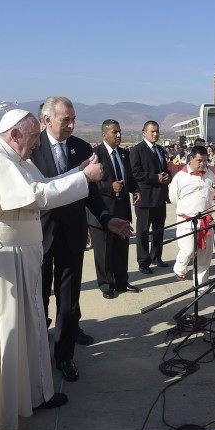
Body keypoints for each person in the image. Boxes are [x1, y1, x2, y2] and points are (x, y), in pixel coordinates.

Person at [0, 109, 130, 430]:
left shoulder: (17, 157)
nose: (38, 141)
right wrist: (83, 178)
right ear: (15, 135)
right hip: (4, 264)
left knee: (31, 329)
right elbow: (38, 197)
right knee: (7, 333)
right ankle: (0, 408)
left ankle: (32, 395)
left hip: (22, 259)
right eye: (34, 136)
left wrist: (78, 172)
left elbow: (44, 184)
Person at [30, 96, 129, 381]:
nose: (72, 125)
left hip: (72, 236)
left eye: (73, 119)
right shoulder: (31, 149)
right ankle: (36, 355)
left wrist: (107, 219)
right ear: (47, 120)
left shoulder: (83, 149)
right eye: (66, 120)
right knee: (38, 299)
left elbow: (91, 193)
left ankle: (64, 356)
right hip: (38, 236)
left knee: (68, 300)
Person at [88, 120, 141, 299]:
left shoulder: (124, 154)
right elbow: (90, 185)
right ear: (104, 134)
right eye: (114, 132)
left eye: (119, 131)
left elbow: (130, 177)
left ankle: (121, 281)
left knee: (121, 249)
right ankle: (106, 285)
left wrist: (136, 190)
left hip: (122, 209)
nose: (118, 135)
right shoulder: (95, 155)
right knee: (103, 251)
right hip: (102, 212)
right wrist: (110, 187)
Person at [170, 146, 215, 285]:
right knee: (188, 249)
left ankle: (201, 283)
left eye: (205, 160)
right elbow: (173, 197)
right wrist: (187, 209)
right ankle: (180, 268)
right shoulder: (180, 176)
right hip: (186, 219)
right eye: (199, 161)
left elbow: (212, 194)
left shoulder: (210, 174)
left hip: (205, 219)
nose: (202, 164)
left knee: (205, 254)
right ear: (191, 159)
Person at [130, 120, 172, 274]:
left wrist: (167, 176)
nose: (155, 134)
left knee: (158, 230)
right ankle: (143, 262)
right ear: (144, 132)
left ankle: (156, 256)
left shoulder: (160, 150)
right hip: (144, 199)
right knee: (143, 232)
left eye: (157, 131)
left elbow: (165, 169)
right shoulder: (137, 150)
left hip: (160, 197)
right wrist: (156, 178)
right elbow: (135, 173)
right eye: (152, 131)